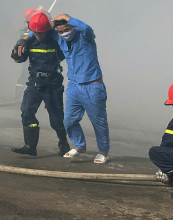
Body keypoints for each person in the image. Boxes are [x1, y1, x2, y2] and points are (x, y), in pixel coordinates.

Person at [18, 12, 110, 164]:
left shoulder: (85, 37)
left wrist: (68, 18)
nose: (64, 34)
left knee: (98, 121)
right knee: (69, 120)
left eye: (67, 30)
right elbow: (40, 31)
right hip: (74, 86)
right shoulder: (59, 39)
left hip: (92, 86)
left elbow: (87, 28)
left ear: (73, 28)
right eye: (60, 32)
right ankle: (80, 146)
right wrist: (25, 39)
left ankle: (103, 151)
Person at [10, 11, 69, 157]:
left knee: (56, 118)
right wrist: (16, 50)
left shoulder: (56, 40)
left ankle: (64, 144)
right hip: (34, 82)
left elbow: (65, 52)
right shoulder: (28, 41)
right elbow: (19, 60)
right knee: (27, 112)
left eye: (41, 32)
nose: (37, 35)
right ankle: (30, 146)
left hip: (53, 84)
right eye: (35, 32)